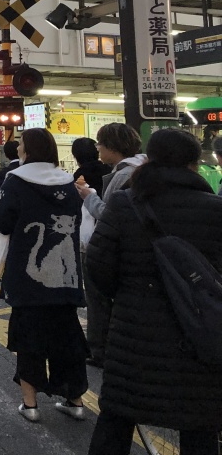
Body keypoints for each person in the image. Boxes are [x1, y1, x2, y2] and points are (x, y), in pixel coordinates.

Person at [86, 128, 222, 455]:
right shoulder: (214, 209)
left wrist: (126, 297)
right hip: (198, 335)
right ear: (194, 163)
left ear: (150, 159)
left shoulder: (124, 204)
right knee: (199, 425)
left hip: (134, 337)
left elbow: (98, 267)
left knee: (116, 422)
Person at [0, 127, 87, 424]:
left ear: (28, 149)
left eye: (20, 143)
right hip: (66, 278)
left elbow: (3, 222)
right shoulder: (68, 183)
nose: (18, 147)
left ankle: (30, 404)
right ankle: (75, 399)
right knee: (67, 337)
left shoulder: (16, 180)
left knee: (29, 337)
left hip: (28, 277)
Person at [74, 122, 143, 367]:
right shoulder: (142, 167)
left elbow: (109, 214)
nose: (99, 149)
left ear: (113, 146)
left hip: (110, 248)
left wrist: (88, 197)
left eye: (101, 144)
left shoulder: (124, 173)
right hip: (135, 248)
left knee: (98, 299)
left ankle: (99, 349)